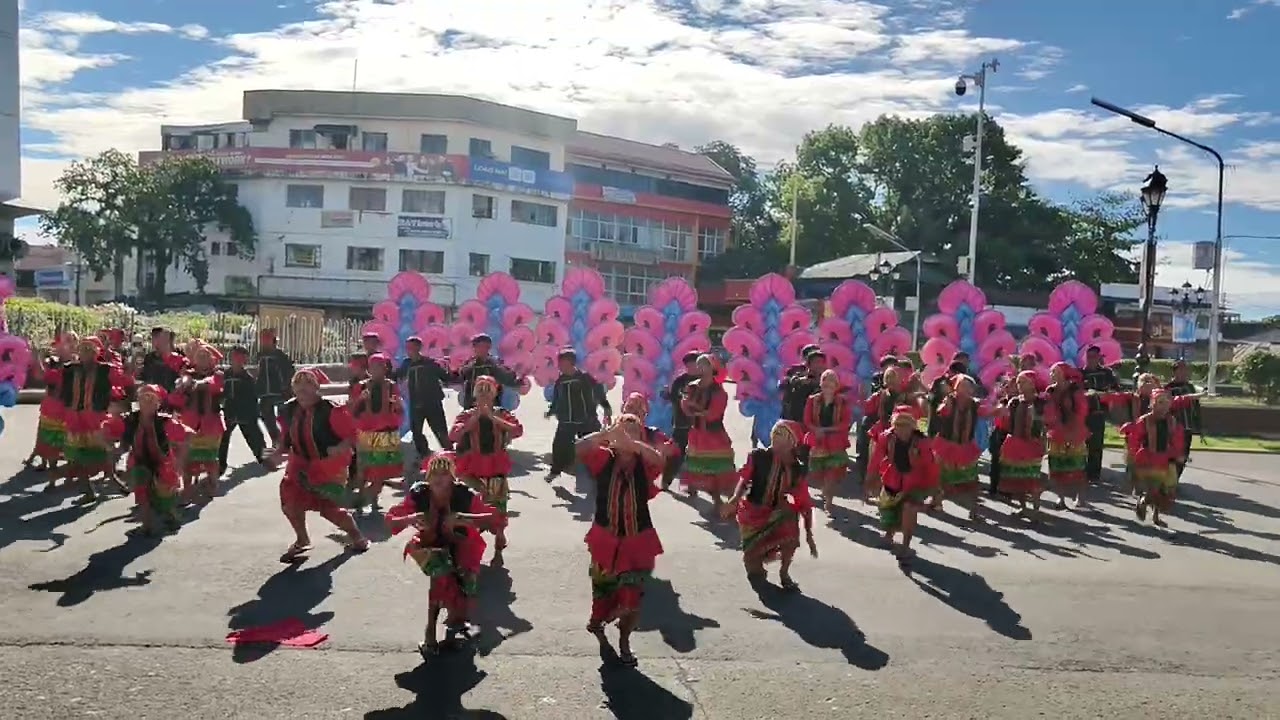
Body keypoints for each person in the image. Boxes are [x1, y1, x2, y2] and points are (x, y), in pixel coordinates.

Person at [385, 452, 498, 656]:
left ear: (452, 477)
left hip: (464, 545)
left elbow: (493, 518)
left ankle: (457, 620)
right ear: (427, 475)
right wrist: (411, 518)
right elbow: (392, 519)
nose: (439, 477)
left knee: (465, 586)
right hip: (432, 544)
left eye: (444, 473)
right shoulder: (419, 493)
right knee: (439, 582)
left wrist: (463, 518)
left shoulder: (464, 493)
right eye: (434, 472)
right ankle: (430, 633)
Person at [576, 415, 666, 667]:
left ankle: (624, 641)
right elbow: (579, 448)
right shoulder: (604, 458)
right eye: (623, 429)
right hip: (605, 538)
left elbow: (660, 460)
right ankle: (598, 619)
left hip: (637, 541)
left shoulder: (644, 463)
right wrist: (605, 434)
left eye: (633, 430)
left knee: (632, 599)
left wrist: (634, 444)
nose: (627, 435)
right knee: (602, 591)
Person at [267, 369, 369, 563]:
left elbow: (353, 434)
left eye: (307, 383)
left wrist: (340, 447)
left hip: (327, 467)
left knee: (328, 509)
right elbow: (285, 439)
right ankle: (302, 538)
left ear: (316, 387)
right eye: (298, 383)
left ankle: (356, 536)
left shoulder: (331, 409)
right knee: (290, 502)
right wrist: (277, 453)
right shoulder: (288, 410)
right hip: (299, 465)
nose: (302, 388)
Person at [722, 420, 816, 589]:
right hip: (752, 512)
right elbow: (744, 479)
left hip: (775, 511)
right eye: (775, 435)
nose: (776, 440)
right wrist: (735, 499)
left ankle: (784, 572)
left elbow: (804, 502)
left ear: (791, 443)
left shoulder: (796, 469)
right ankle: (755, 563)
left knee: (790, 522)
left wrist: (809, 534)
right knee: (754, 570)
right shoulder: (758, 457)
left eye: (782, 437)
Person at [451, 375, 523, 562]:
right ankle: (472, 541)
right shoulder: (466, 414)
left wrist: (493, 418)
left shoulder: (502, 413)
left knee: (498, 502)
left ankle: (499, 533)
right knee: (472, 504)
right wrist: (474, 419)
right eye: (480, 391)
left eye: (487, 391)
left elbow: (517, 430)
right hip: (472, 466)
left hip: (496, 465)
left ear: (494, 394)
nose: (483, 395)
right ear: (474, 394)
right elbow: (454, 434)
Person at [103, 385, 188, 537]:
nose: (147, 401)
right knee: (142, 493)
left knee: (164, 497)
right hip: (139, 461)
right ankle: (147, 525)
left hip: (163, 463)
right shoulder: (131, 419)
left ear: (158, 403)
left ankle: (170, 516)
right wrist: (115, 451)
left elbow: (187, 436)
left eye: (151, 398)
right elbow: (121, 439)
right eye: (143, 397)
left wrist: (180, 461)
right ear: (138, 401)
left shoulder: (165, 421)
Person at [59, 337, 132, 504]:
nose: (85, 352)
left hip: (95, 418)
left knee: (103, 452)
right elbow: (62, 391)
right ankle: (88, 491)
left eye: (90, 349)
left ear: (97, 352)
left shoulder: (106, 369)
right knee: (77, 456)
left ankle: (112, 477)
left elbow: (122, 380)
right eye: (83, 348)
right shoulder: (70, 368)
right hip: (75, 418)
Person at [869, 405, 938, 560]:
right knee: (888, 510)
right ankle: (889, 535)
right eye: (898, 424)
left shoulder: (922, 442)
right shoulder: (886, 437)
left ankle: (906, 545)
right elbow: (876, 459)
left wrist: (934, 491)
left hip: (916, 482)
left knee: (908, 509)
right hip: (892, 478)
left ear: (913, 426)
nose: (902, 429)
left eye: (906, 424)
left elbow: (931, 466)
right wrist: (870, 478)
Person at [1122, 389, 1198, 528]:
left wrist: (1178, 455)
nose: (1163, 406)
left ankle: (1155, 516)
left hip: (1166, 459)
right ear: (1152, 404)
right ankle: (1143, 501)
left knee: (1165, 491)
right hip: (1149, 459)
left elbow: (1177, 440)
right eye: (1160, 402)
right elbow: (1135, 438)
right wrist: (1132, 454)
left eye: (1166, 403)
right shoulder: (1144, 421)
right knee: (1153, 487)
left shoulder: (1172, 422)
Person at [679, 354, 738, 508]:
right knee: (697, 464)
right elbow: (685, 406)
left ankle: (721, 498)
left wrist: (695, 409)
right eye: (700, 365)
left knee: (717, 467)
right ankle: (701, 490)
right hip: (697, 432)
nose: (701, 368)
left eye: (705, 365)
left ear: (713, 369)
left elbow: (713, 414)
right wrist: (694, 409)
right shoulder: (692, 386)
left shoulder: (719, 392)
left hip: (713, 434)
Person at [545, 348, 611, 481]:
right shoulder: (561, 381)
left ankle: (600, 474)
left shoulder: (584, 378)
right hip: (566, 420)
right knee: (559, 446)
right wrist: (551, 411)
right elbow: (557, 399)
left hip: (586, 420)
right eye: (559, 363)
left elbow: (599, 392)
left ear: (571, 363)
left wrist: (606, 408)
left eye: (562, 363)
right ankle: (555, 471)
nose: (560, 366)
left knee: (594, 447)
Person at [349, 353, 404, 513]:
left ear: (385, 368)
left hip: (386, 433)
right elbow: (352, 411)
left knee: (380, 471)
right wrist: (360, 399)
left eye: (380, 366)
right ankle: (360, 496)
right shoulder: (361, 386)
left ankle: (371, 499)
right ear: (369, 369)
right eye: (373, 367)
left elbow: (399, 410)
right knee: (363, 469)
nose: (377, 370)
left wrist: (398, 405)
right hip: (366, 432)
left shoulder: (392, 386)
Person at [859, 365, 923, 499]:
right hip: (882, 433)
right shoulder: (880, 395)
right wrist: (862, 397)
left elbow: (918, 413)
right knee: (875, 464)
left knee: (900, 465)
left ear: (900, 379)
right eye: (888, 377)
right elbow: (867, 408)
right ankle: (876, 493)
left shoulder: (908, 397)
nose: (890, 380)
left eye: (893, 377)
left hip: (903, 434)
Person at [170, 343, 225, 501]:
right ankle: (187, 489)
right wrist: (180, 388)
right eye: (199, 356)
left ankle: (213, 484)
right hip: (189, 424)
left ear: (211, 359)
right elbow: (177, 396)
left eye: (205, 356)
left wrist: (197, 384)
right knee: (187, 459)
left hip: (211, 425)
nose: (202, 358)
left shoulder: (218, 373)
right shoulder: (187, 375)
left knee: (210, 459)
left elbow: (214, 383)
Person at [930, 375, 989, 521]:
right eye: (962, 385)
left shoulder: (975, 404)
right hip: (947, 445)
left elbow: (986, 413)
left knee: (971, 480)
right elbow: (941, 411)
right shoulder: (949, 400)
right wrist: (945, 407)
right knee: (940, 476)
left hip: (965, 447)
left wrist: (998, 409)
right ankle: (936, 502)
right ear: (956, 386)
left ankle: (974, 510)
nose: (965, 388)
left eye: (968, 386)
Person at [996, 371, 1046, 519]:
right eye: (1018, 382)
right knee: (1017, 478)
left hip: (1033, 444)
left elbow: (1047, 423)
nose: (1019, 385)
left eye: (1023, 382)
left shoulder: (1041, 402)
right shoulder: (1014, 402)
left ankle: (1036, 509)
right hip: (1014, 443)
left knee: (1032, 477)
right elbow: (1005, 421)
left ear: (1032, 384)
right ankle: (1023, 507)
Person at [395, 336, 456, 459]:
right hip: (416, 404)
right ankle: (425, 456)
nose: (409, 350)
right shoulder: (407, 364)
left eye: (412, 347)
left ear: (419, 348)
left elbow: (446, 377)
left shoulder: (429, 363)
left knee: (440, 431)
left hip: (432, 403)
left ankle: (451, 456)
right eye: (407, 348)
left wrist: (454, 372)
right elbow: (396, 375)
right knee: (416, 432)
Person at [802, 368, 852, 513]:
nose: (828, 386)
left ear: (836, 385)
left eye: (831, 382)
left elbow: (845, 422)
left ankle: (829, 501)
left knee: (832, 473)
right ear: (821, 384)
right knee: (818, 474)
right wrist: (815, 429)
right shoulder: (813, 400)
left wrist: (828, 430)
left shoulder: (842, 402)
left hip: (836, 442)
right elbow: (807, 419)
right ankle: (825, 490)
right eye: (825, 382)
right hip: (817, 441)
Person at [1043, 363, 1091, 510]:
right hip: (1056, 434)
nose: (1051, 374)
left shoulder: (1075, 391)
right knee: (1057, 466)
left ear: (1064, 373)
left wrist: (1071, 428)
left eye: (1055, 371)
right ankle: (1061, 497)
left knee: (1078, 467)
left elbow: (1082, 411)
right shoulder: (1050, 391)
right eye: (1051, 372)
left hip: (1074, 433)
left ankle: (1080, 497)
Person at [26, 337, 71, 477]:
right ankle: (45, 463)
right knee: (45, 434)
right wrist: (37, 357)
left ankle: (54, 470)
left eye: (67, 342)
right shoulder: (52, 362)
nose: (61, 346)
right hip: (49, 405)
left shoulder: (75, 364)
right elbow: (41, 375)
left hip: (63, 407)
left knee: (58, 437)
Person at [218, 346, 266, 476]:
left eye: (240, 358)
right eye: (234, 357)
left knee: (255, 436)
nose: (237, 361)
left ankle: (265, 458)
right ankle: (220, 464)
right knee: (222, 438)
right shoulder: (224, 376)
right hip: (229, 411)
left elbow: (253, 398)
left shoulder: (248, 378)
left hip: (245, 413)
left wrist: (255, 414)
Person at [1079, 346, 1120, 485]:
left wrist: (1106, 395)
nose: (1091, 360)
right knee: (1081, 443)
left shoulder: (1107, 373)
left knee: (1096, 444)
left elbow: (1116, 391)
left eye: (1094, 357)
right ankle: (1080, 471)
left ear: (1099, 357)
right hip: (1082, 414)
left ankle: (1094, 473)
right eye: (1088, 356)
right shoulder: (1080, 373)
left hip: (1098, 413)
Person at [660, 351, 700, 489]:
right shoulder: (680, 381)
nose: (691, 367)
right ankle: (666, 480)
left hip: (699, 425)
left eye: (694, 364)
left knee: (696, 457)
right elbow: (672, 398)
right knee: (676, 454)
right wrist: (666, 395)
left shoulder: (704, 381)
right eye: (688, 365)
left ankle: (692, 485)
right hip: (681, 424)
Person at [456, 334, 519, 410]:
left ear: (488, 347)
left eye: (482, 346)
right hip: (471, 404)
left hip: (492, 405)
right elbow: (460, 377)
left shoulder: (495, 362)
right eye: (476, 346)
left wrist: (494, 367)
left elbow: (507, 378)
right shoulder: (469, 363)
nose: (479, 349)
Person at [255, 329, 295, 446]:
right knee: (266, 416)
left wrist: (287, 387)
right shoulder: (260, 356)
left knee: (285, 417)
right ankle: (276, 438)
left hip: (280, 391)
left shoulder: (280, 356)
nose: (264, 343)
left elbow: (289, 372)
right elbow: (259, 373)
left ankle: (289, 440)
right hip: (265, 392)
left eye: (267, 340)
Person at [1163, 361, 1202, 478]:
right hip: (1173, 427)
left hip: (1187, 427)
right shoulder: (1168, 387)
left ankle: (1175, 478)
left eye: (1185, 370)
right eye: (1180, 370)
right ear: (1174, 371)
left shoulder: (1190, 387)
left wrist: (1198, 425)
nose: (1183, 372)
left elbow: (1196, 407)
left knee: (1184, 454)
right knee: (1172, 453)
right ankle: (1168, 478)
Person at [136, 327, 186, 397]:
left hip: (171, 397)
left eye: (159, 338)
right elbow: (144, 377)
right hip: (153, 396)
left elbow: (183, 378)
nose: (156, 342)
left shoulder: (180, 358)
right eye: (154, 338)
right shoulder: (150, 358)